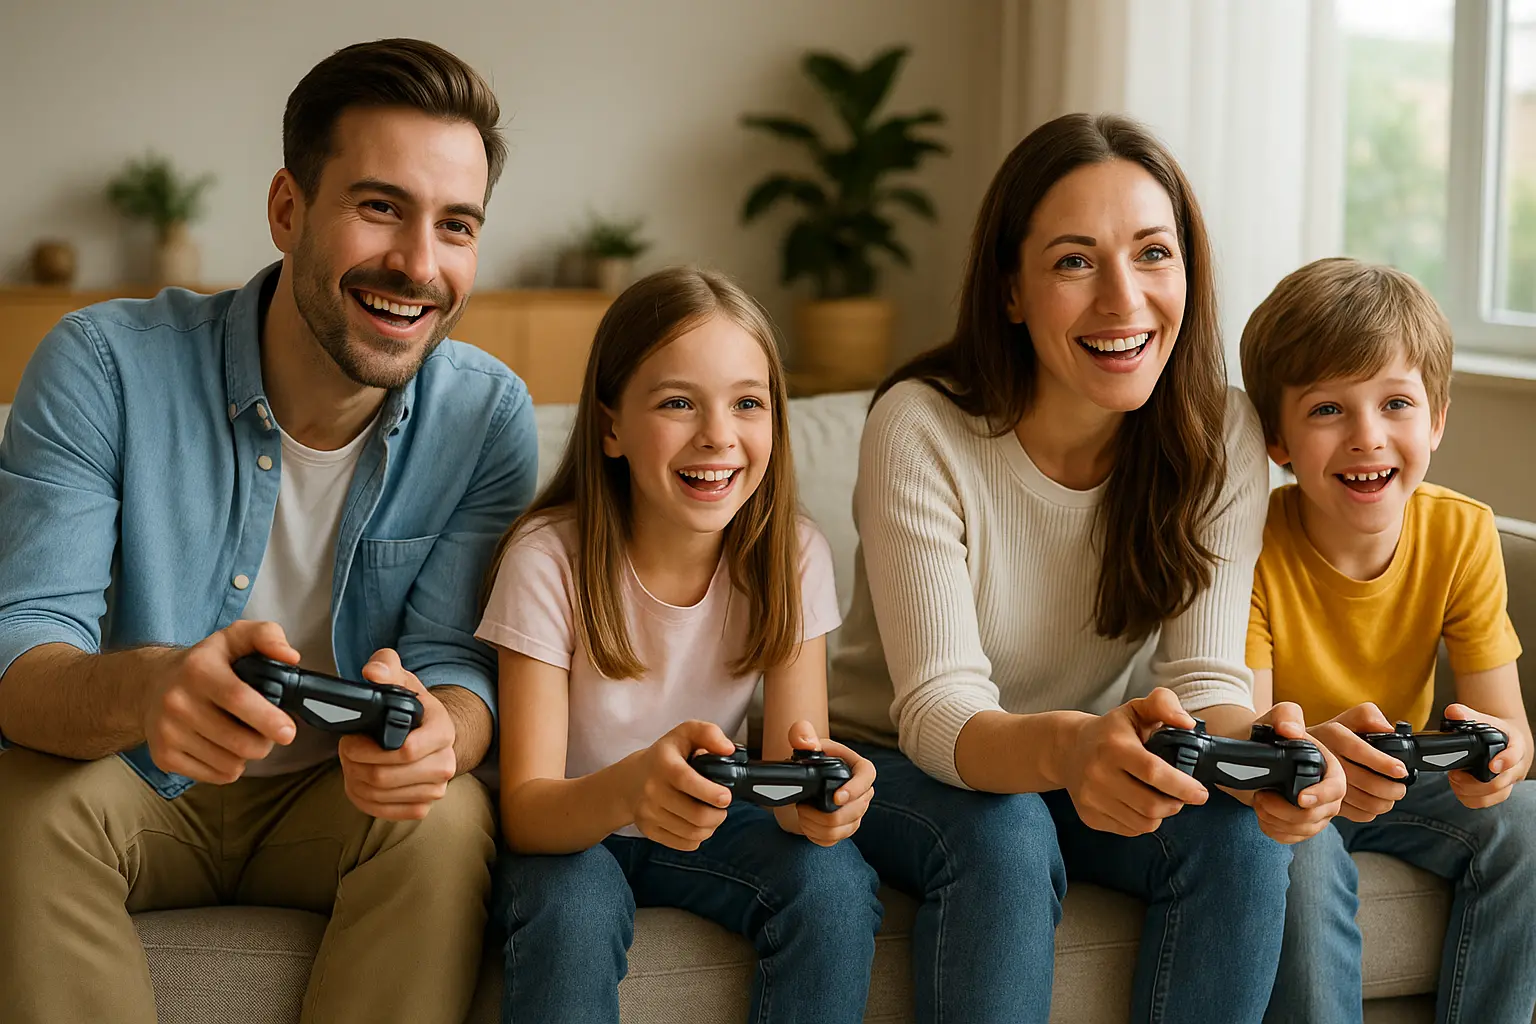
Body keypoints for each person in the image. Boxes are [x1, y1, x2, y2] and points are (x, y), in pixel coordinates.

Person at [0, 38, 536, 1024]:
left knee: (446, 813)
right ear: (288, 209)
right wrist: (158, 685)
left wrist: (444, 737)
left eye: (455, 225)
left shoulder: (487, 417)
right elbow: (20, 661)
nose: (419, 265)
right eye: (380, 207)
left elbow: (460, 665)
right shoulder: (103, 367)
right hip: (132, 783)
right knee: (20, 807)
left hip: (333, 801)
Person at [827, 112, 1348, 1023]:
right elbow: (942, 706)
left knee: (1239, 833)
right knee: (1007, 831)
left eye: (1153, 253)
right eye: (1075, 261)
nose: (1123, 300)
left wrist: (1267, 752)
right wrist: (1068, 750)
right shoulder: (920, 427)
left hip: (1091, 751)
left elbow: (1204, 675)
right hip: (902, 757)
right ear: (1012, 292)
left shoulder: (1217, 432)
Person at [481, 267, 882, 1024]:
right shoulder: (546, 558)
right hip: (574, 831)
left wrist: (816, 805)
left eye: (747, 404)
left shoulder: (792, 555)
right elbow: (527, 811)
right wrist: (634, 788)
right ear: (610, 427)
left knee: (832, 887)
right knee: (576, 912)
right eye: (677, 403)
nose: (718, 436)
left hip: (714, 823)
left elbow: (796, 765)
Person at [1240, 257, 1536, 1024]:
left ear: (1436, 418)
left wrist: (1495, 759)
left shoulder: (1462, 532)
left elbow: (1511, 730)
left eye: (1396, 403)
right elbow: (1252, 734)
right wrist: (1310, 768)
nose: (1368, 438)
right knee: (1295, 855)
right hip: (1291, 783)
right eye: (1328, 410)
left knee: (1529, 821)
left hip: (1401, 778)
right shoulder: (1250, 549)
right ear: (1277, 438)